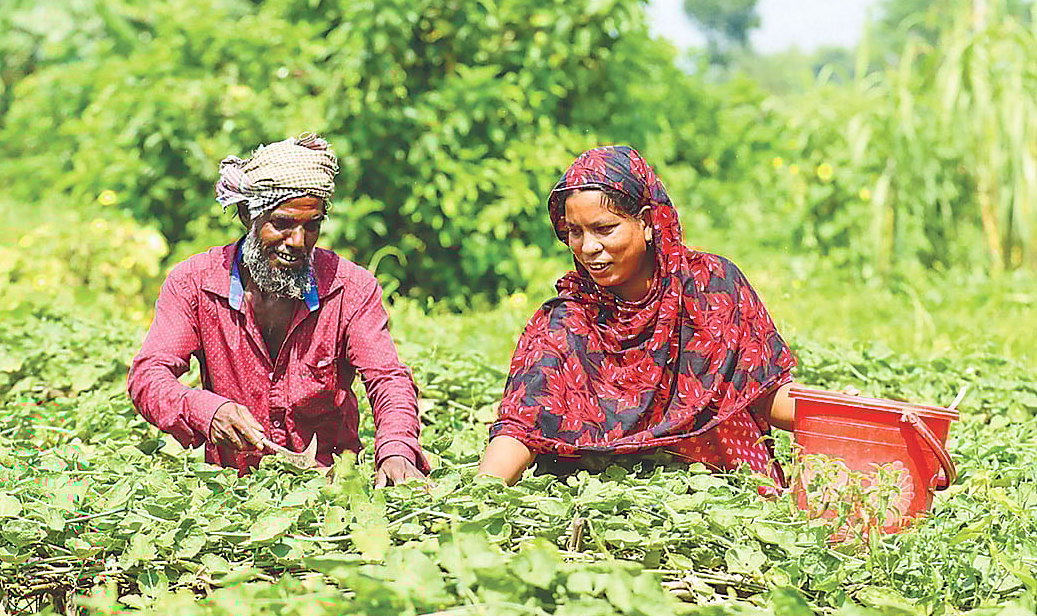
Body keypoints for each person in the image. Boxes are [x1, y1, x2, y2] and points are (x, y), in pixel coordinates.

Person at [477, 145, 798, 486]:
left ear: (646, 222)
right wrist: (479, 496)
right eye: (575, 232)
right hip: (609, 495)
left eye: (604, 229)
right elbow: (521, 424)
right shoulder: (567, 322)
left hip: (721, 484)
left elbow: (766, 392)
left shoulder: (710, 287)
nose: (588, 247)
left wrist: (836, 421)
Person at [128, 132, 429, 487]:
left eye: (311, 226)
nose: (298, 242)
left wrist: (396, 450)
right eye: (282, 224)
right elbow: (148, 376)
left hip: (331, 488)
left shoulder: (351, 289)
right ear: (248, 215)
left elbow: (387, 378)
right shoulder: (193, 284)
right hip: (233, 492)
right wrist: (208, 412)